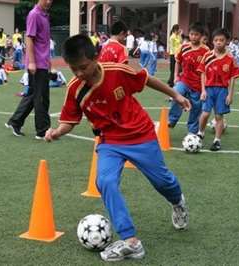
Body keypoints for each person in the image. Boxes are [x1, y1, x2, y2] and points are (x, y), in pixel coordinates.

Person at [45, 34, 190, 262]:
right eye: (74, 69)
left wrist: (176, 95)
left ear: (95, 57)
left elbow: (147, 79)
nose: (79, 74)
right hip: (109, 141)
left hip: (140, 134)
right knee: (105, 181)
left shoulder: (118, 71)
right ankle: (131, 241)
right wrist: (56, 131)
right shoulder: (75, 89)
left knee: (163, 182)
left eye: (83, 67)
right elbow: (69, 121)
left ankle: (177, 202)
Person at [5, 0, 53, 139]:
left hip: (42, 61)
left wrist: (48, 60)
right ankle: (43, 130)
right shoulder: (34, 15)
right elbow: (29, 39)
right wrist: (32, 62)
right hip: (37, 63)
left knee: (33, 94)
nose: (49, 1)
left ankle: (15, 122)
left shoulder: (45, 15)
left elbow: (43, 41)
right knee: (42, 97)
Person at [197, 28, 239, 151]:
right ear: (212, 41)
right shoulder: (207, 55)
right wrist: (203, 90)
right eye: (216, 40)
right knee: (205, 114)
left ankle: (217, 140)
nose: (218, 42)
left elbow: (233, 77)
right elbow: (202, 73)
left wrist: (230, 95)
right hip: (209, 89)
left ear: (227, 41)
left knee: (218, 116)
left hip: (222, 90)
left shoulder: (230, 58)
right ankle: (200, 132)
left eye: (221, 40)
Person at [168, 22, 210, 135]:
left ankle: (192, 131)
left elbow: (207, 70)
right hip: (184, 81)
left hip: (198, 86)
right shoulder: (184, 47)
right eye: (191, 34)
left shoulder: (206, 51)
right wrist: (176, 75)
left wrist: (205, 88)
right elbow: (178, 62)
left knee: (196, 108)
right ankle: (171, 120)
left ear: (201, 36)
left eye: (196, 35)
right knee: (176, 93)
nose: (193, 37)